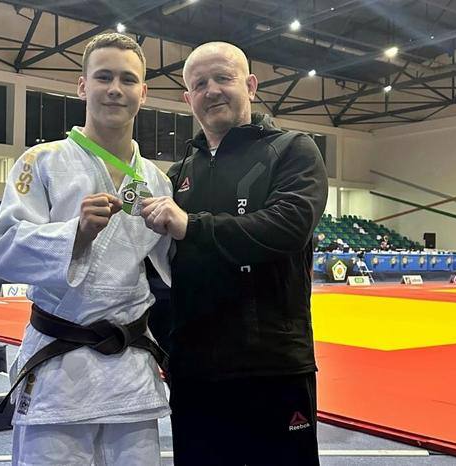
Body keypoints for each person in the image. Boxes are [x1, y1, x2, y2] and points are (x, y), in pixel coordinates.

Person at [0, 33, 172, 466]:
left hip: (130, 371)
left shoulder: (157, 182)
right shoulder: (41, 161)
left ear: (143, 92)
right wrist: (75, 234)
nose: (115, 89)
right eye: (103, 77)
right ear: (82, 86)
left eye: (128, 79)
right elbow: (1, 248)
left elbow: (173, 273)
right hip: (60, 370)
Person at [141, 41, 328, 465]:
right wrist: (166, 344)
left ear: (251, 85)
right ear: (187, 98)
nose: (211, 91)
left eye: (223, 78)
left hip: (273, 367)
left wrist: (192, 226)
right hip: (195, 372)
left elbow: (289, 226)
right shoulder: (177, 174)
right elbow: (159, 269)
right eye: (199, 84)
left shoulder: (293, 149)